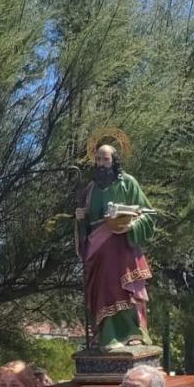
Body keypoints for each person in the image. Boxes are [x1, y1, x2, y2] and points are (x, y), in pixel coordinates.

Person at [76, 142, 155, 351]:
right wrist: (80, 218)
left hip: (122, 247)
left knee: (123, 289)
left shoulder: (128, 183)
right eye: (99, 159)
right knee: (101, 291)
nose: (102, 164)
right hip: (98, 251)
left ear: (114, 160)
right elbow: (84, 225)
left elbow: (148, 214)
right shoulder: (90, 189)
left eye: (106, 159)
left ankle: (132, 333)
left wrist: (130, 224)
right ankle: (104, 335)